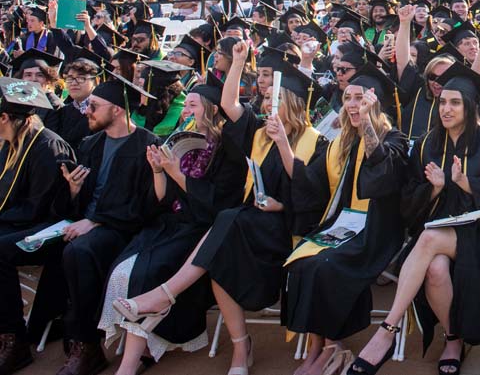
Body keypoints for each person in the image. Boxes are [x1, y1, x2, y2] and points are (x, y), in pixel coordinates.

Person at [116, 44, 325, 375]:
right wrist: (239, 62)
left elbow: (311, 199)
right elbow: (228, 104)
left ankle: (165, 295)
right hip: (247, 223)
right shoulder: (259, 134)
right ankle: (240, 347)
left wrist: (281, 186)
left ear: (292, 103)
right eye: (266, 98)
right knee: (223, 248)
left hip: (284, 229)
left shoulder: (315, 142)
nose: (266, 104)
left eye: (275, 99)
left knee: (228, 221)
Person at [344, 63, 480, 375]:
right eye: (442, 102)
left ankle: (387, 329)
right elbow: (409, 205)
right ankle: (453, 338)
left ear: (470, 105)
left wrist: (464, 183)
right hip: (435, 231)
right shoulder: (425, 145)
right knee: (434, 267)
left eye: (455, 102)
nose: (446, 109)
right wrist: (434, 190)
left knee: (429, 240)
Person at [102, 80, 245, 374]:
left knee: (148, 274)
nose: (186, 111)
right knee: (123, 268)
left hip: (200, 229)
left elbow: (215, 206)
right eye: (187, 105)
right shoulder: (181, 142)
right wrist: (158, 171)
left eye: (193, 105)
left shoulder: (227, 151)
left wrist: (174, 171)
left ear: (211, 109)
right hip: (169, 224)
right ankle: (138, 352)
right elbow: (162, 199)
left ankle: (128, 364)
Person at [26, 76, 158, 375]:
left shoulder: (146, 144)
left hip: (122, 229)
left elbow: (144, 207)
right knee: (13, 247)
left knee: (79, 252)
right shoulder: (90, 144)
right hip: (82, 222)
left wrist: (95, 221)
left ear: (118, 110)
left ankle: (87, 345)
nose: (87, 111)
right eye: (88, 105)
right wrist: (72, 192)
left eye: (94, 106)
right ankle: (25, 333)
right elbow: (77, 203)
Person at [283, 72, 410, 375]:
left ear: (374, 101)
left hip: (376, 230)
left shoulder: (395, 138)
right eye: (348, 99)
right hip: (345, 225)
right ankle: (321, 348)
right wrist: (280, 142)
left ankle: (331, 347)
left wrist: (366, 121)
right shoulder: (345, 141)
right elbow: (313, 184)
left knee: (326, 264)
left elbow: (381, 176)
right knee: (304, 258)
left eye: (359, 98)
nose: (352, 104)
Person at [0, 78, 75, 374]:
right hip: (18, 221)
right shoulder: (10, 143)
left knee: (0, 251)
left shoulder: (48, 146)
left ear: (5, 117)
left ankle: (15, 340)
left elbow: (39, 209)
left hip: (51, 229)